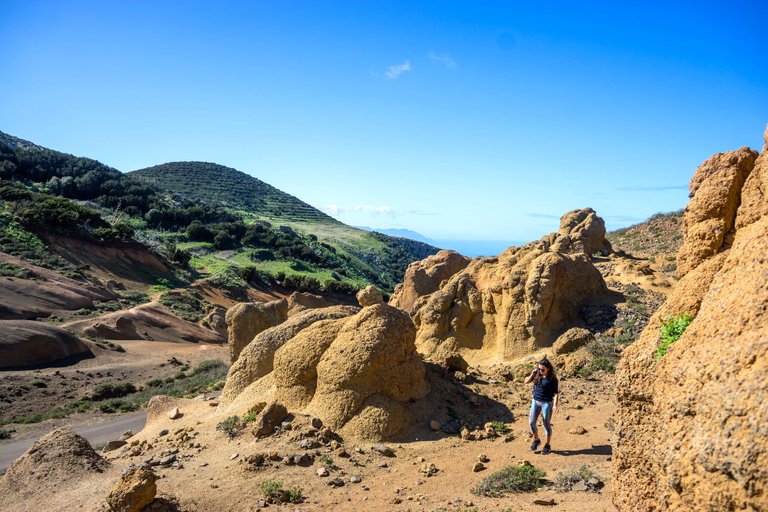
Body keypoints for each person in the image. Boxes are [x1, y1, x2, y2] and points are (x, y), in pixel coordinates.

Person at [525, 357, 559, 455]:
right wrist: (532, 374)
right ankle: (536, 440)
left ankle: (547, 445)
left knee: (546, 424)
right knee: (531, 422)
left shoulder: (552, 379)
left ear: (548, 368)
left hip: (546, 403)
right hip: (535, 401)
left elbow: (556, 393)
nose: (540, 371)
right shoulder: (537, 374)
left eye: (542, 369)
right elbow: (526, 381)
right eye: (539, 368)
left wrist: (555, 405)